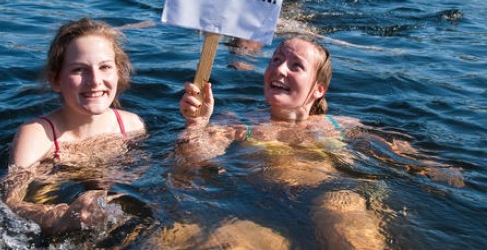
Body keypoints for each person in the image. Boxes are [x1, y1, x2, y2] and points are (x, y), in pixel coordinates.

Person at [176, 34, 462, 249]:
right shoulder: (238, 124)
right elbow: (196, 163)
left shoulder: (340, 125)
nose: (280, 69)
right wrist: (197, 125)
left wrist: (431, 167)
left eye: (295, 65)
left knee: (341, 215)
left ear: (318, 89)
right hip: (260, 205)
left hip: (335, 194)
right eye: (275, 59)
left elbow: (395, 148)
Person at [2, 18, 146, 235]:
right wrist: (61, 216)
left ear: (118, 72)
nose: (95, 80)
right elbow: (9, 203)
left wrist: (194, 130)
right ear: (55, 80)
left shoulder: (131, 124)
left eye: (105, 67)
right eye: (79, 70)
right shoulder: (38, 136)